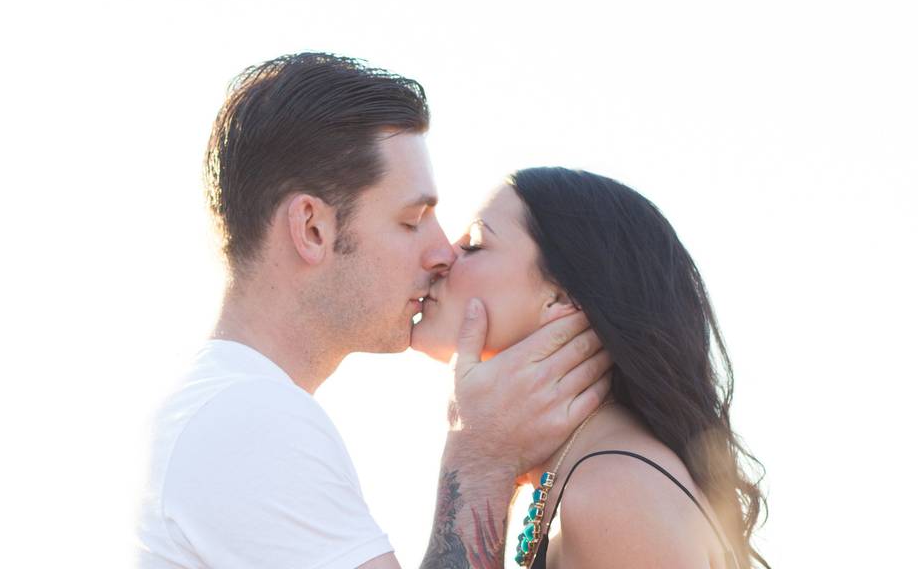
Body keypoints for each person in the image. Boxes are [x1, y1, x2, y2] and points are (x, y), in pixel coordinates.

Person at [135, 54, 612, 568]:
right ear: (312, 229)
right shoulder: (248, 419)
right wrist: (480, 460)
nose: (442, 252)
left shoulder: (222, 405)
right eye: (411, 221)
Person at [412, 168, 771, 568]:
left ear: (561, 298)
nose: (443, 257)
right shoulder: (600, 476)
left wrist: (475, 459)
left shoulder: (614, 491)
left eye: (475, 245)